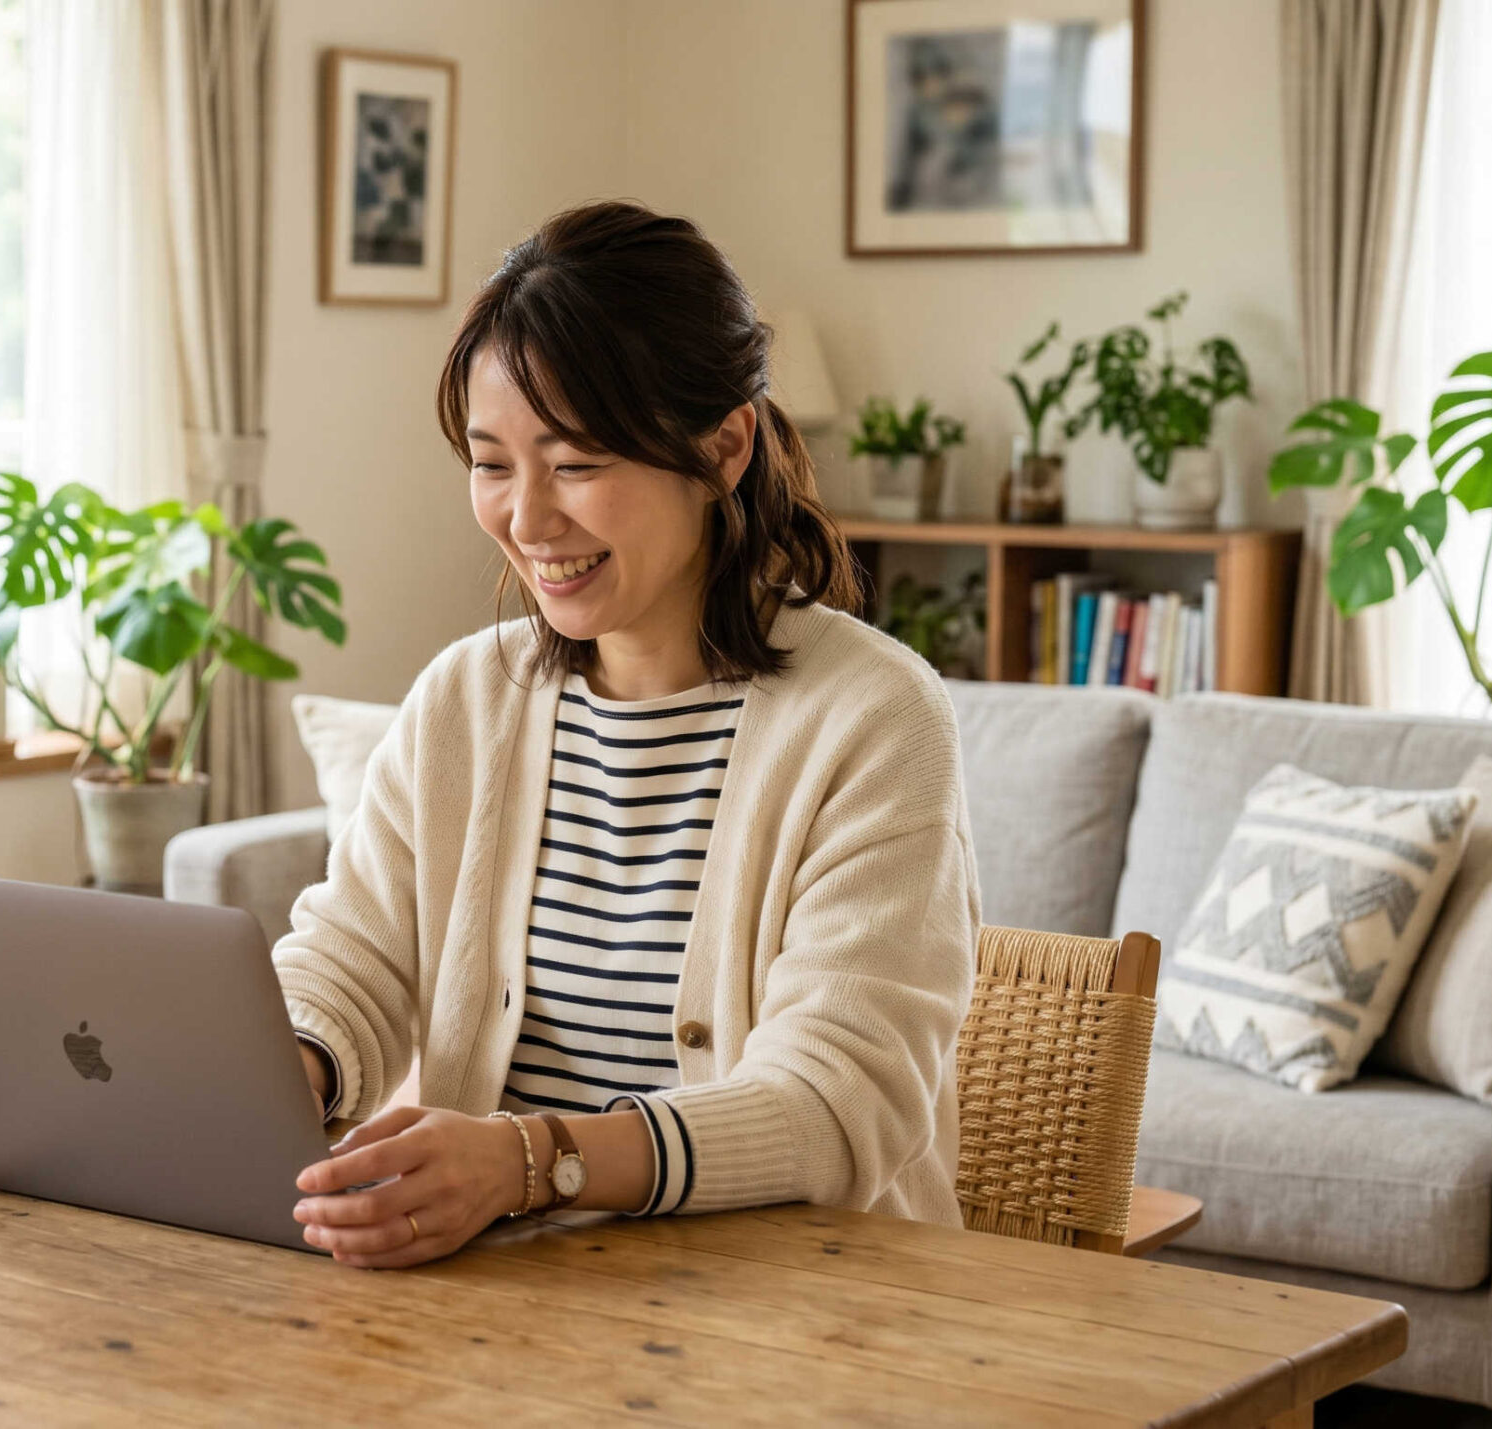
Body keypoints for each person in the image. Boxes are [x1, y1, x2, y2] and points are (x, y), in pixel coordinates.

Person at [280, 201, 979, 1268]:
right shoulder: (463, 701)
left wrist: (531, 1161)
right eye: (492, 463)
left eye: (575, 463)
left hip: (807, 1325)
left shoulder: (876, 719)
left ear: (723, 445)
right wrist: (290, 1060)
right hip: (508, 1308)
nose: (527, 518)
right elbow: (351, 958)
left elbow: (835, 1103)